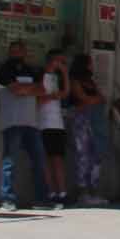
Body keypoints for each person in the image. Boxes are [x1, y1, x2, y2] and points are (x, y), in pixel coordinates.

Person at [0, 39, 47, 212]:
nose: (17, 53)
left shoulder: (31, 69)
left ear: (25, 52)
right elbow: (15, 90)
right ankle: (7, 199)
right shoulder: (5, 69)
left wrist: (26, 89)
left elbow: (42, 90)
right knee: (10, 162)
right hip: (12, 121)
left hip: (31, 122)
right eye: (14, 50)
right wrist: (28, 89)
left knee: (39, 161)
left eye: (20, 50)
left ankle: (40, 199)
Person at [66, 53, 107, 206]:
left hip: (95, 122)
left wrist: (93, 101)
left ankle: (94, 190)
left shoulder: (90, 81)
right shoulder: (75, 81)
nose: (92, 66)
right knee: (82, 156)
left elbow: (101, 98)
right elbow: (83, 99)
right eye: (90, 63)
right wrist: (93, 100)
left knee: (96, 156)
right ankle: (82, 192)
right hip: (81, 122)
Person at [39, 49, 71, 207]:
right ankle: (50, 192)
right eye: (60, 61)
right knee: (46, 159)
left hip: (57, 123)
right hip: (44, 122)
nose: (62, 65)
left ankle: (62, 192)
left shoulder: (56, 78)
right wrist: (51, 96)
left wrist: (65, 74)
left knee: (58, 159)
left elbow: (65, 93)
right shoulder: (41, 76)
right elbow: (37, 98)